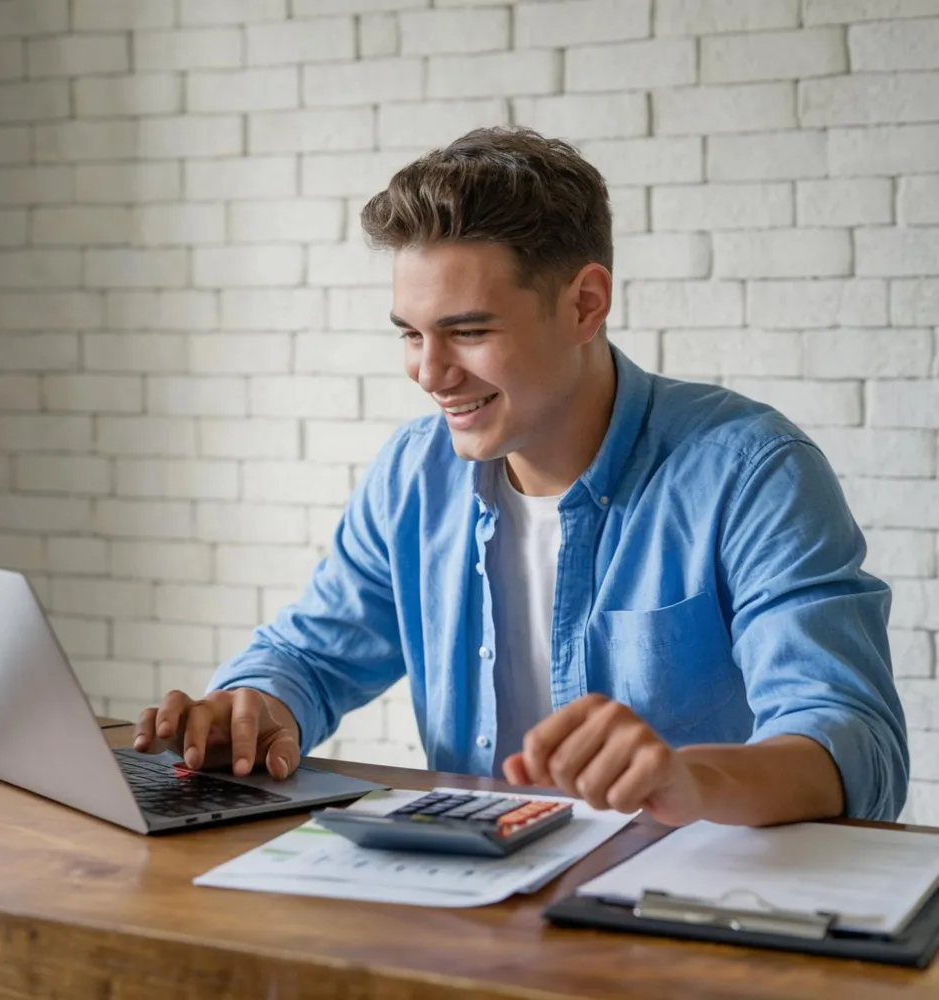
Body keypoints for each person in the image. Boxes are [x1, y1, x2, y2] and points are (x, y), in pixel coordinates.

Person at [135, 127, 908, 826]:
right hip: (471, 897)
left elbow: (855, 741)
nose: (430, 373)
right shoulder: (415, 473)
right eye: (411, 335)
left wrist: (690, 778)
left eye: (469, 331)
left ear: (586, 305)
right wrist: (253, 707)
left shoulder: (750, 473)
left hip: (680, 901)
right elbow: (312, 655)